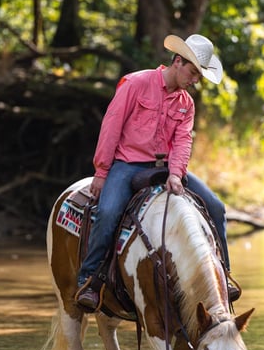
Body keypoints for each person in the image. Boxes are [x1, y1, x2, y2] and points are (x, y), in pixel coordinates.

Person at [75, 33, 241, 311]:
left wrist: (176, 173)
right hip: (128, 164)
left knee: (216, 207)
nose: (194, 81)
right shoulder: (136, 83)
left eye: (199, 77)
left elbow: (183, 141)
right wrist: (102, 171)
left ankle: (222, 274)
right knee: (108, 212)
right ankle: (91, 278)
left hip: (166, 168)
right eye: (192, 73)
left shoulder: (186, 103)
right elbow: (111, 126)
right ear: (178, 61)